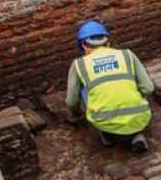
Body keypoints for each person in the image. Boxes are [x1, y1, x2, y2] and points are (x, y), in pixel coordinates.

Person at [65, 20, 155, 153]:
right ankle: (137, 135)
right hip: (140, 116)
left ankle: (107, 135)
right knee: (129, 80)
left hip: (103, 120)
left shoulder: (79, 64)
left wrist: (77, 115)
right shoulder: (127, 55)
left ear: (83, 45)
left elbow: (71, 101)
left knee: (85, 89)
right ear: (108, 42)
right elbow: (149, 88)